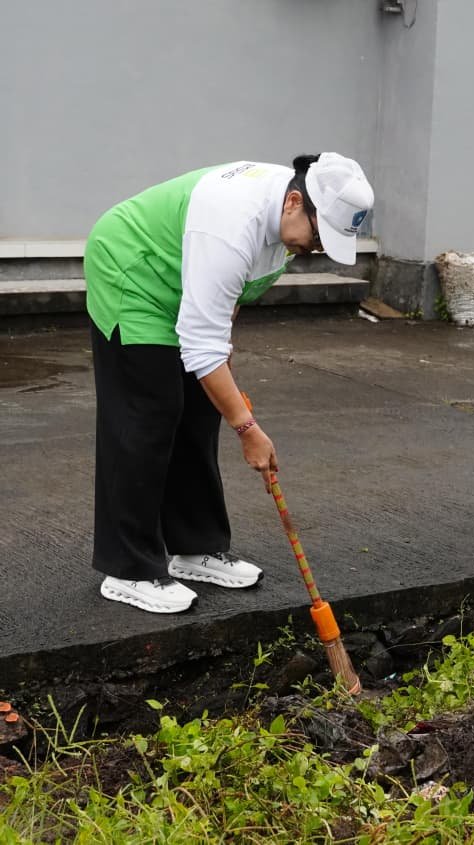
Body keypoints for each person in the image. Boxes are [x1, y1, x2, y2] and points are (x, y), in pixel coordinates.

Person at [85, 153, 374, 613]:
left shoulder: (281, 219)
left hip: (182, 279)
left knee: (200, 412)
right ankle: (129, 568)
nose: (317, 248)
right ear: (294, 202)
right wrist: (248, 429)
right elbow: (202, 339)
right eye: (319, 236)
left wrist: (223, 371)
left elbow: (223, 308)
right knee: (148, 412)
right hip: (133, 270)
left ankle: (195, 547)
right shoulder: (231, 222)